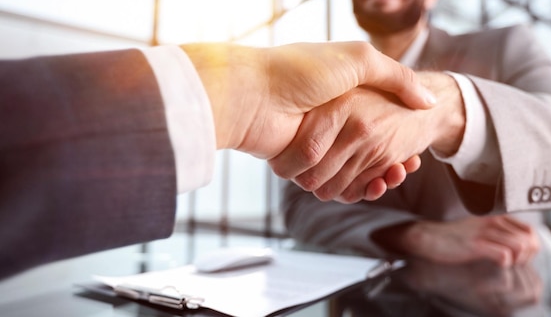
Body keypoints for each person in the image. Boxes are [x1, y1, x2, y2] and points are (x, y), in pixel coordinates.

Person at [278, 0, 551, 266]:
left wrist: (452, 109)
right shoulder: (332, 83)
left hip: (504, 292)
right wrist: (414, 235)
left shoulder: (504, 49)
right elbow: (300, 208)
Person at [0, 41, 436, 279]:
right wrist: (247, 95)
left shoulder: (498, 50)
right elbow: (302, 204)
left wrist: (438, 108)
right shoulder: (340, 70)